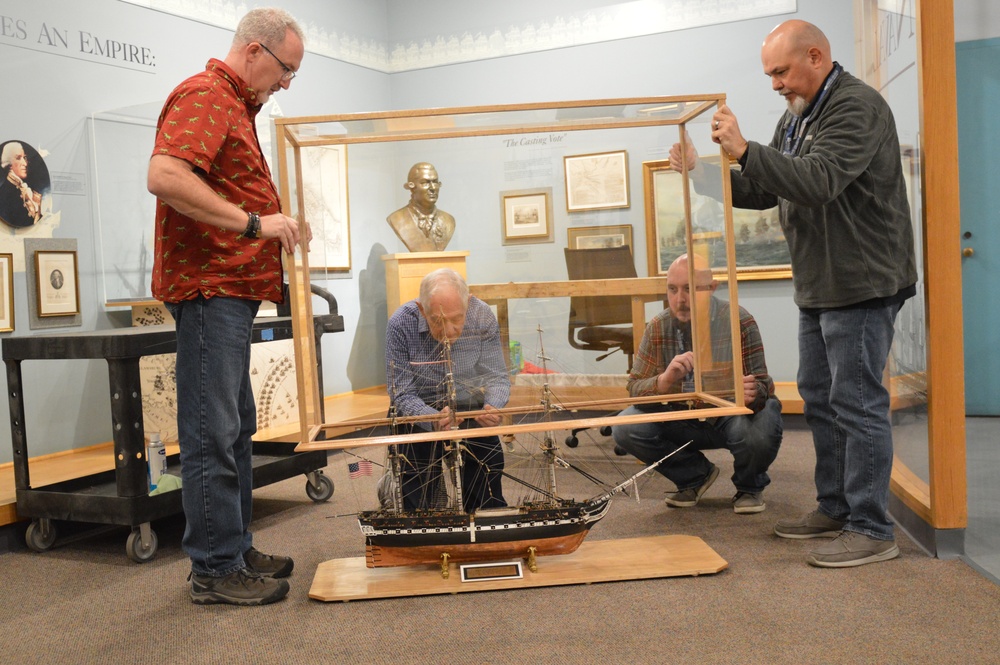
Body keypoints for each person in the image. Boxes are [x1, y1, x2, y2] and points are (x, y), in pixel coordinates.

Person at [670, 20, 917, 567]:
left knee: (857, 404)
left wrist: (744, 147)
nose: (776, 84)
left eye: (781, 71)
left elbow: (819, 179)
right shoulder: (797, 115)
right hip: (822, 283)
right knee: (823, 399)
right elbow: (764, 188)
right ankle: (835, 508)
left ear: (815, 56)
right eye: (770, 75)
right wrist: (702, 174)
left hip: (860, 284)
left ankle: (873, 528)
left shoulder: (857, 107)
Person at [147, 7, 307, 605]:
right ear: (255, 51)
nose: (286, 82)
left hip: (231, 292)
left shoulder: (234, 104)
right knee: (213, 429)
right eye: (286, 69)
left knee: (235, 425)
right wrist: (255, 223)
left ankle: (234, 545)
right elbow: (164, 174)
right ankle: (213, 568)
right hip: (211, 290)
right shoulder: (207, 95)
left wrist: (268, 226)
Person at [612, 254, 783, 514]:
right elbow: (634, 389)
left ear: (711, 288)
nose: (680, 300)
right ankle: (694, 477)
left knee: (765, 418)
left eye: (689, 289)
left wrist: (754, 392)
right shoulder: (658, 326)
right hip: (680, 418)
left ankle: (750, 486)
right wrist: (664, 380)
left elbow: (762, 385)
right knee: (625, 427)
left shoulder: (739, 320)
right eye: (672, 289)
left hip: (728, 417)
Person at [385, 268, 509, 513]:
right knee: (419, 497)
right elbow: (401, 392)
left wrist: (493, 406)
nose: (449, 331)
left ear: (469, 303)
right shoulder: (400, 323)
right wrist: (430, 418)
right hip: (418, 410)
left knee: (487, 485)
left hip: (470, 406)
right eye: (438, 321)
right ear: (422, 309)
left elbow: (497, 377)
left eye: (456, 319)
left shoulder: (482, 315)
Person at [386, 162, 456, 251]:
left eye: (435, 182)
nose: (432, 188)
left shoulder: (448, 220)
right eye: (425, 183)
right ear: (412, 187)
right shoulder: (397, 219)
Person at [0, 142, 43, 228]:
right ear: (9, 163)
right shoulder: (5, 193)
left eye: (25, 158)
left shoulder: (25, 188)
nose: (25, 163)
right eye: (18, 158)